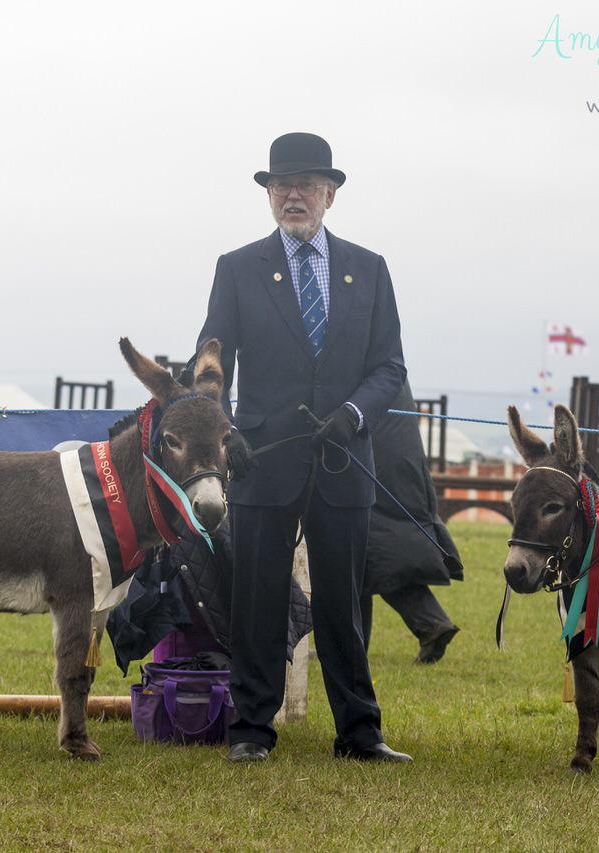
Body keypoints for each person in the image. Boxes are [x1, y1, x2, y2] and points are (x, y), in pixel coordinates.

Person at [192, 132, 410, 763]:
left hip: (344, 458)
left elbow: (389, 367)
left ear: (330, 196)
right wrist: (219, 429)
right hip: (262, 458)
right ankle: (252, 729)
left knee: (343, 601)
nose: (293, 196)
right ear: (269, 195)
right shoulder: (236, 268)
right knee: (257, 597)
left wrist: (352, 412)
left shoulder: (369, 268)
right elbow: (213, 357)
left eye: (307, 186)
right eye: (281, 185)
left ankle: (360, 733)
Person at [361, 380, 461, 664]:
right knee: (373, 555)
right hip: (395, 453)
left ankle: (430, 625)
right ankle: (430, 624)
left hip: (375, 457)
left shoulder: (357, 346)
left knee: (367, 554)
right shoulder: (383, 351)